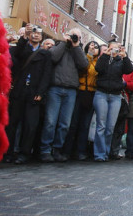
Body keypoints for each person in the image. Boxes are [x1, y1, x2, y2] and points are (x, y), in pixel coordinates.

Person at [6, 25, 54, 164]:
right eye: (34, 32)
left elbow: (46, 74)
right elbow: (17, 54)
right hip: (19, 90)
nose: (36, 35)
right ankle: (8, 152)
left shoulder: (45, 53)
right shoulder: (22, 49)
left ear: (42, 37)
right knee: (12, 122)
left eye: (39, 33)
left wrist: (41, 92)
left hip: (34, 92)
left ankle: (24, 153)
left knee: (30, 124)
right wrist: (24, 37)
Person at [40, 28, 88, 163]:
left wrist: (76, 46)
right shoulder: (58, 46)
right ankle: (45, 150)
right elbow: (53, 57)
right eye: (73, 35)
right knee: (50, 121)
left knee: (65, 124)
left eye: (77, 36)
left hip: (71, 90)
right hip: (55, 88)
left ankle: (57, 149)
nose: (74, 38)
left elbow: (83, 64)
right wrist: (63, 42)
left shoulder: (78, 50)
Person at [93, 41, 133, 162]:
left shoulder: (120, 62)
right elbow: (98, 69)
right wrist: (105, 55)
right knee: (101, 125)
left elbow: (129, 70)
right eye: (112, 49)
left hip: (115, 96)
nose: (114, 51)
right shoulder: (103, 59)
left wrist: (125, 56)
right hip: (101, 94)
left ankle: (106, 152)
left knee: (110, 126)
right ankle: (99, 154)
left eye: (116, 49)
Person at [64, 41, 101, 161]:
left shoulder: (99, 63)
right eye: (91, 46)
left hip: (91, 93)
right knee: (73, 122)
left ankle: (80, 150)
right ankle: (67, 150)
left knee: (85, 124)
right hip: (80, 91)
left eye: (96, 47)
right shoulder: (83, 58)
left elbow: (95, 73)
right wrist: (89, 56)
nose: (93, 48)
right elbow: (83, 68)